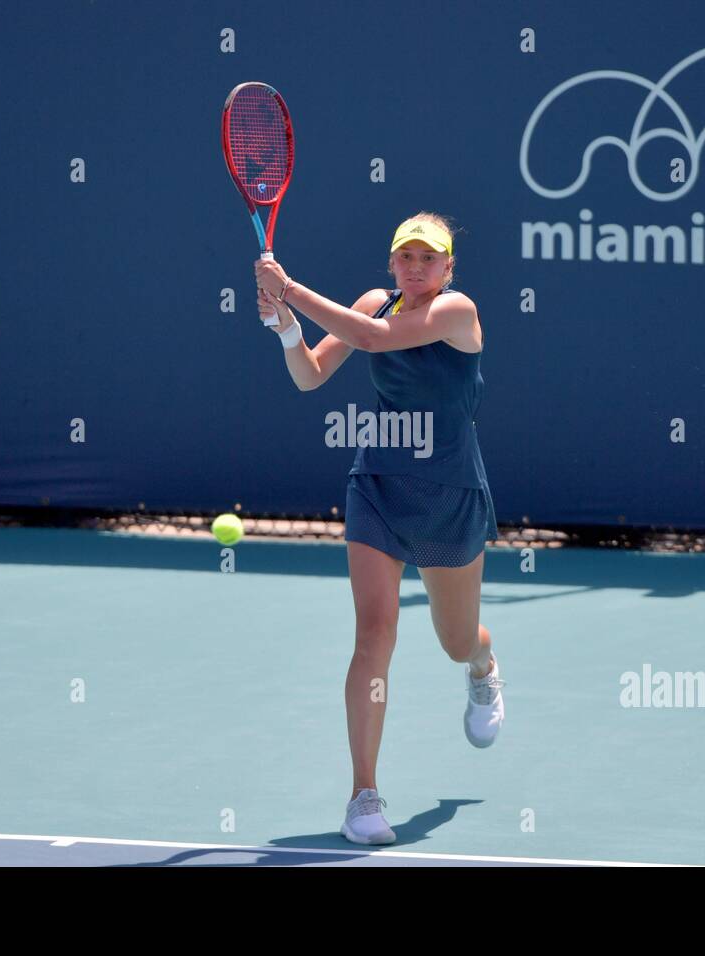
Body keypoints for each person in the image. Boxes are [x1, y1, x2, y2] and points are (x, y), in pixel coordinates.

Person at [254, 212, 504, 846]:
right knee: (375, 631)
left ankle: (482, 662)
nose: (416, 267)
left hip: (450, 495)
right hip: (379, 489)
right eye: (406, 257)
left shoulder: (457, 311)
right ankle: (363, 796)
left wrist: (292, 292)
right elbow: (310, 374)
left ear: (449, 269)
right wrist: (284, 326)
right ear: (392, 264)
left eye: (430, 258)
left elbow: (370, 340)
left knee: (455, 641)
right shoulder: (373, 301)